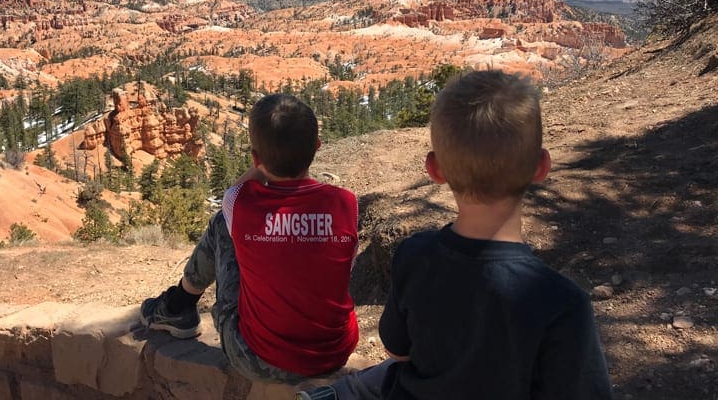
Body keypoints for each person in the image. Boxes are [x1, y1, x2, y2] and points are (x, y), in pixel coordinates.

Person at [297, 70, 612, 399]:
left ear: (434, 170)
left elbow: (398, 352)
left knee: (363, 384)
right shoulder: (563, 303)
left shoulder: (414, 256)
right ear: (541, 167)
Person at [141, 93, 359, 382]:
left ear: (256, 159)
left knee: (222, 225)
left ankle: (178, 306)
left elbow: (232, 195)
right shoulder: (345, 203)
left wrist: (263, 165)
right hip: (334, 355)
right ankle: (178, 305)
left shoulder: (240, 204)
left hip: (257, 358)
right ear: (317, 147)